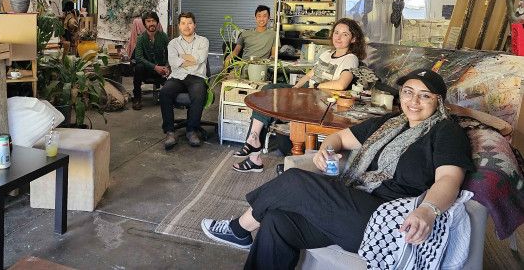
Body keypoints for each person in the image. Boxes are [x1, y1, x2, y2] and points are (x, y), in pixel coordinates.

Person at [201, 69, 474, 269]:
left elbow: (449, 178)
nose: (414, 101)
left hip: (386, 218)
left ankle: (239, 228)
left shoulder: (445, 131)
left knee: (294, 180)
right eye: (408, 92)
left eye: (424, 96)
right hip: (351, 204)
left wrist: (428, 209)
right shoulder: (391, 122)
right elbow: (340, 137)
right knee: (277, 221)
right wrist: (326, 148)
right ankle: (246, 232)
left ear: (438, 101)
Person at [233, 18, 366, 172]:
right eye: (336, 32)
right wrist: (294, 88)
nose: (338, 37)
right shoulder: (327, 54)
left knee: (269, 100)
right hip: (306, 93)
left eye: (345, 34)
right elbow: (311, 74)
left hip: (320, 101)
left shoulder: (351, 58)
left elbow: (341, 84)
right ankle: (254, 139)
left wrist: (317, 85)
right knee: (268, 91)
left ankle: (253, 155)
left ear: (353, 39)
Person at [159, 12, 209, 150]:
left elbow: (200, 58)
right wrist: (190, 59)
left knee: (199, 94)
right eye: (183, 23)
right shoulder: (173, 43)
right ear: (179, 26)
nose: (186, 26)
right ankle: (170, 132)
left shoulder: (203, 41)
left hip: (196, 76)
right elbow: (173, 62)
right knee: (164, 93)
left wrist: (183, 58)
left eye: (190, 23)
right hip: (177, 77)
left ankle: (191, 131)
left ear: (195, 25)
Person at [132, 11, 170, 110]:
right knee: (138, 67)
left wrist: (167, 66)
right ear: (144, 24)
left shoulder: (163, 36)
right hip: (147, 71)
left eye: (153, 21)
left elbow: (170, 53)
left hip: (161, 71)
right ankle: (137, 98)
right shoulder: (141, 38)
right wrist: (154, 67)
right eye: (148, 21)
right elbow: (138, 57)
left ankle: (172, 97)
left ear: (157, 22)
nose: (151, 23)